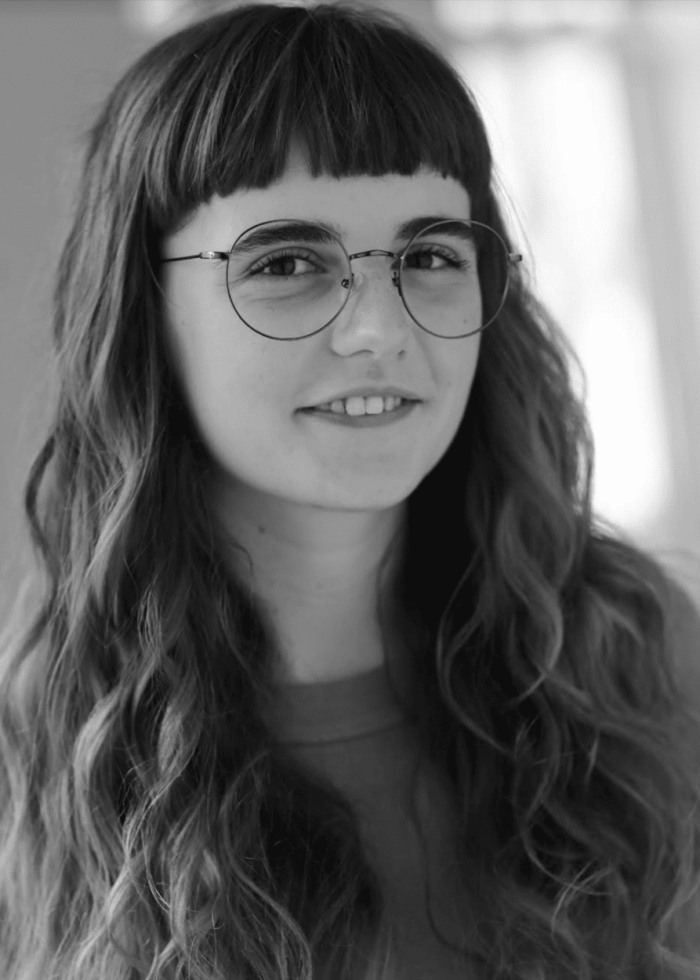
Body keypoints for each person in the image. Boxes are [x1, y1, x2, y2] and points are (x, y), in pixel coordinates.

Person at [0, 2, 699, 978]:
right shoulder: (43, 747)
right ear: (143, 312)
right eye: (288, 263)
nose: (380, 324)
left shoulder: (639, 653)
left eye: (427, 256)